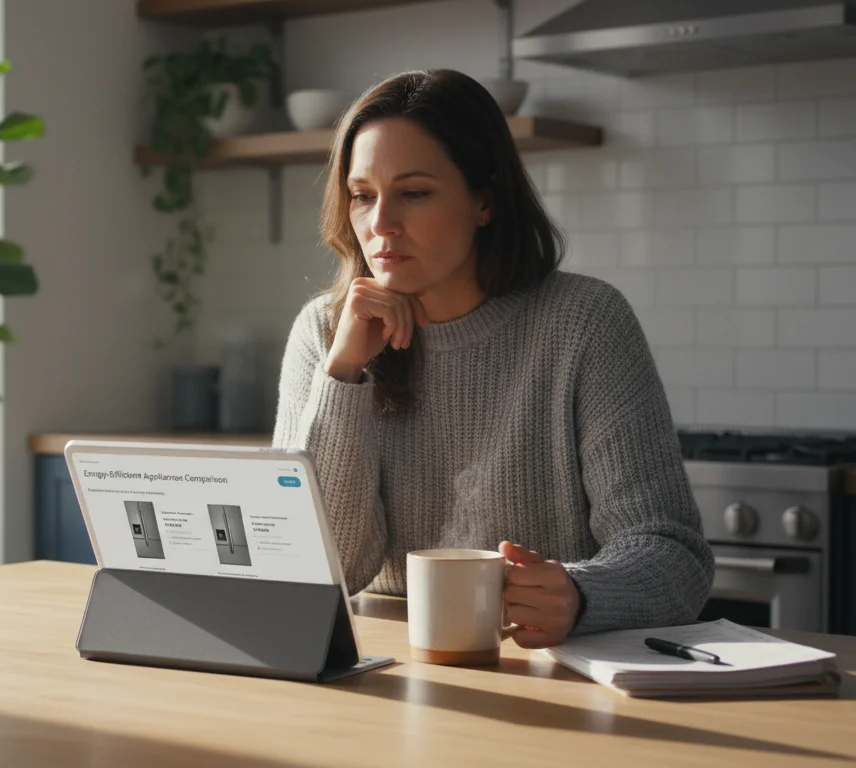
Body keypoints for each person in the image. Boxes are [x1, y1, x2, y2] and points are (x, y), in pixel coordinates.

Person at [272, 69, 713, 649]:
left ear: (484, 200)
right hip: (382, 672)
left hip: (546, 676)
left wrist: (581, 594)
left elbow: (672, 554)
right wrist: (344, 372)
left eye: (414, 192)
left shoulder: (585, 322)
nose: (380, 224)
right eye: (362, 196)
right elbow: (313, 573)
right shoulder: (325, 333)